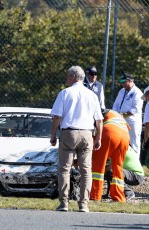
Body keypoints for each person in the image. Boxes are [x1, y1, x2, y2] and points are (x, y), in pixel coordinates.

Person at [50, 65, 103, 213]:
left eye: (68, 76)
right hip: (87, 133)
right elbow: (99, 120)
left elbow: (57, 117)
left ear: (73, 77)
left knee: (64, 168)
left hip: (69, 133)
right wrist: (98, 138)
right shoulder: (92, 95)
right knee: (86, 170)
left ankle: (64, 203)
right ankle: (84, 204)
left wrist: (53, 134)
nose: (66, 79)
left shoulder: (65, 93)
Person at [90, 109, 130, 203]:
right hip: (125, 137)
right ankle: (119, 197)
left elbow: (92, 131)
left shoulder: (94, 113)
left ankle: (95, 195)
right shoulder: (115, 114)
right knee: (118, 167)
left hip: (110, 133)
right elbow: (127, 128)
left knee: (98, 165)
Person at [112, 73, 143, 156]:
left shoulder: (138, 92)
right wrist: (115, 114)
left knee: (134, 142)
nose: (122, 84)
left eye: (123, 82)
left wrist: (122, 115)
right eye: (121, 82)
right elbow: (116, 105)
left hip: (133, 122)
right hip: (121, 121)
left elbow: (136, 109)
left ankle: (135, 164)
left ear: (129, 81)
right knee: (121, 141)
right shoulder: (121, 91)